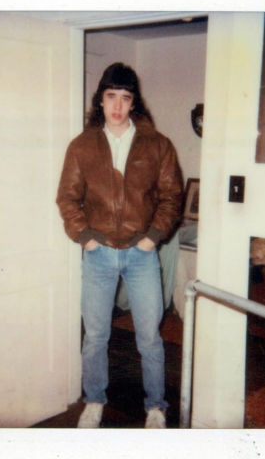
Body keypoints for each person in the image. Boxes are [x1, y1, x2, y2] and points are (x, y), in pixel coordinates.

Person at [56, 62, 183, 429]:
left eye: (125, 98)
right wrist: (85, 237)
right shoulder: (81, 146)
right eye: (111, 96)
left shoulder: (158, 145)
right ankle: (94, 400)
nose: (117, 106)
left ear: (133, 102)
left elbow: (172, 197)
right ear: (100, 100)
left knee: (149, 337)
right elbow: (67, 198)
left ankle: (156, 407)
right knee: (95, 336)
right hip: (98, 255)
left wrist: (152, 238)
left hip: (141, 255)